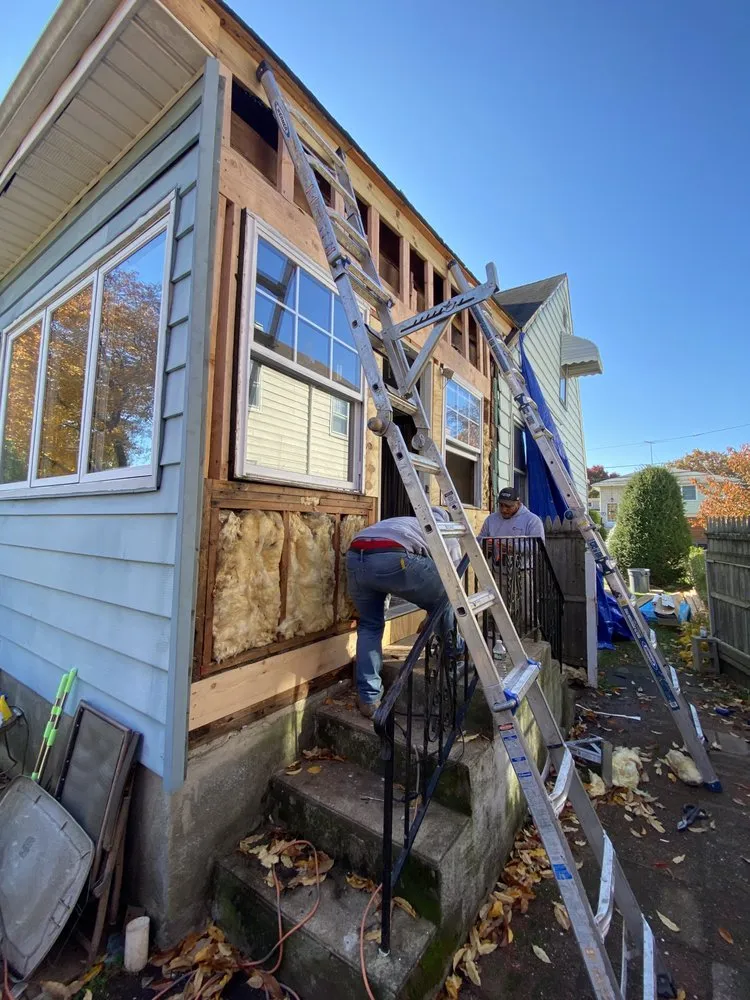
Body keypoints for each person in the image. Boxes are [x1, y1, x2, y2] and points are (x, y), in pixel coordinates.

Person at [345, 509, 460, 718]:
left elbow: (378, 556)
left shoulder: (401, 521)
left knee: (370, 625)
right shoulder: (445, 529)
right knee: (447, 595)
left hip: (355, 556)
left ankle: (369, 699)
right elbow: (452, 579)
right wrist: (434, 610)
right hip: (394, 557)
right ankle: (454, 651)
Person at [477, 487, 545, 541]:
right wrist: (484, 544)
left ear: (518, 504)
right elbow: (479, 540)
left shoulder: (532, 521)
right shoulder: (491, 519)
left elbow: (537, 546)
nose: (503, 510)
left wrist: (510, 547)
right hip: (494, 559)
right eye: (501, 505)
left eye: (508, 506)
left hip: (521, 558)